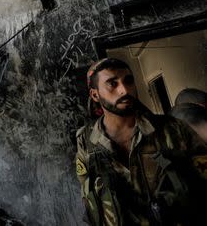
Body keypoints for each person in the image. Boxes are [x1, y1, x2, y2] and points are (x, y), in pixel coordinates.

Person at [76, 58, 207, 226]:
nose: (124, 90)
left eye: (128, 81)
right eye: (112, 83)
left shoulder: (172, 129)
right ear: (95, 94)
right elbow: (91, 201)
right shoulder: (86, 143)